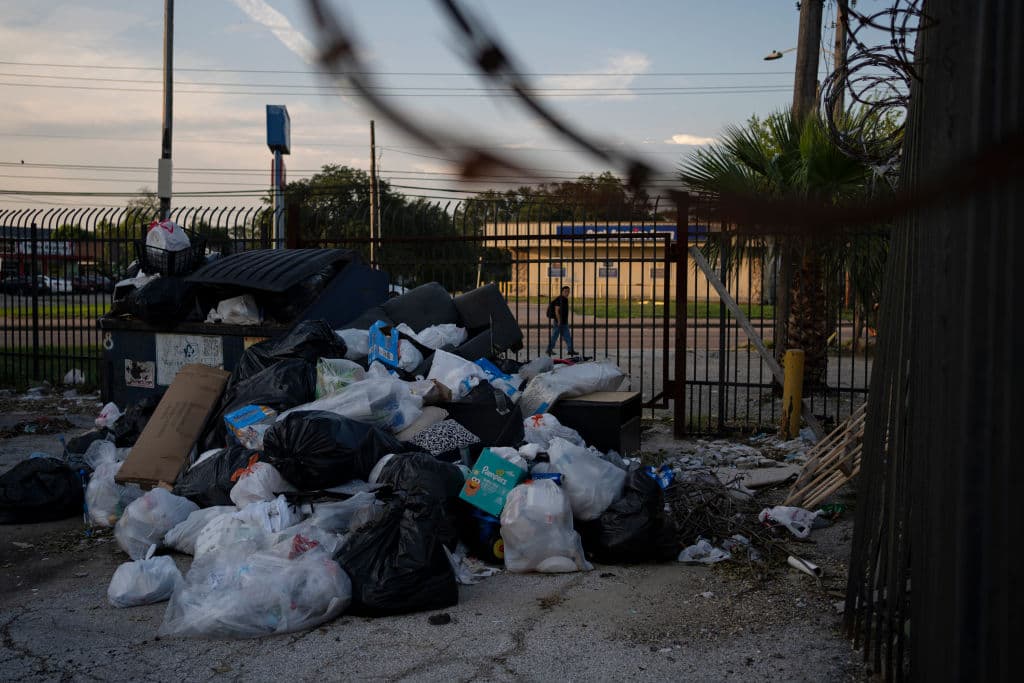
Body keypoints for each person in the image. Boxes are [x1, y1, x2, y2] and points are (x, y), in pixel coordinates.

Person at [545, 285, 576, 356]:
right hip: (558, 321)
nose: (567, 293)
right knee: (555, 336)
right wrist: (559, 321)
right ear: (562, 292)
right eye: (565, 291)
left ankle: (570, 350)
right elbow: (556, 310)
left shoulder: (565, 299)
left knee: (567, 336)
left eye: (568, 291)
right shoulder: (559, 299)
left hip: (564, 322)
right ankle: (549, 350)